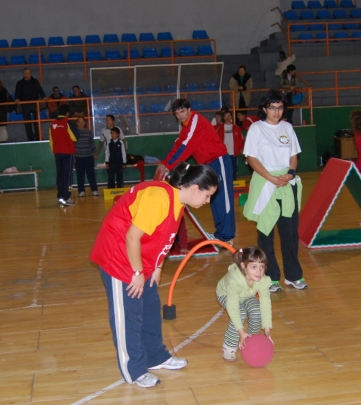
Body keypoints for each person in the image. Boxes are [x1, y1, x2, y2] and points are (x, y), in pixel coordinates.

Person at [90, 162, 218, 388]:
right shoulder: (158, 198)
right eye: (207, 196)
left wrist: (157, 267)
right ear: (195, 188)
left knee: (149, 306)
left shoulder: (178, 201)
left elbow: (163, 237)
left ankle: (155, 356)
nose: (207, 202)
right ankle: (135, 369)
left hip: (140, 257)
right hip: (118, 256)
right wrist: (138, 272)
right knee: (129, 315)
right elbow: (131, 237)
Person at [242, 90, 306, 293]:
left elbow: (293, 156)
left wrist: (290, 173)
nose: (276, 111)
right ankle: (270, 277)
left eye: (279, 107)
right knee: (266, 234)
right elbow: (251, 158)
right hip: (266, 184)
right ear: (264, 109)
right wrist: (270, 178)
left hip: (287, 185)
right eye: (272, 107)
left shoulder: (287, 127)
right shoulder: (256, 129)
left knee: (290, 233)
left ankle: (293, 276)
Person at [155, 98, 235, 244]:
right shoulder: (186, 127)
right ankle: (220, 234)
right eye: (177, 113)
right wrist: (164, 163)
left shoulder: (195, 120)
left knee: (224, 198)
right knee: (214, 198)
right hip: (208, 164)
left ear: (189, 110)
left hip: (219, 160)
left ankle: (227, 235)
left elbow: (186, 146)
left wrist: (170, 165)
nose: (181, 115)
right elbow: (178, 143)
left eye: (183, 111)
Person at [216, 246, 272, 361]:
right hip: (225, 294)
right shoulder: (234, 281)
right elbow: (233, 308)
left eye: (262, 266)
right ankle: (229, 347)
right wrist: (241, 332)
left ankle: (252, 340)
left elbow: (265, 304)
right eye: (254, 267)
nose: (259, 271)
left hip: (246, 295)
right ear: (243, 267)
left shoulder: (263, 280)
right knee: (240, 313)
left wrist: (267, 330)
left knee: (257, 310)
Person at [49, 105, 77, 206]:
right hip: (68, 152)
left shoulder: (53, 124)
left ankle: (60, 196)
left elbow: (51, 139)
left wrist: (54, 151)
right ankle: (67, 197)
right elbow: (75, 137)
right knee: (68, 175)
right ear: (67, 113)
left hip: (57, 153)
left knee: (60, 175)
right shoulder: (68, 123)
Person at [14, 68, 47, 142]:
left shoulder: (35, 81)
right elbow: (17, 92)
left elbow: (39, 89)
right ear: (24, 74)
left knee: (37, 121)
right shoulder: (20, 83)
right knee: (27, 122)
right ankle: (30, 138)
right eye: (27, 73)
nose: (29, 75)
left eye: (30, 73)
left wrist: (44, 96)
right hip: (25, 104)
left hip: (35, 103)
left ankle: (38, 137)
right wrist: (17, 98)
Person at [215, 110, 244, 179]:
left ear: (231, 117)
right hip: (224, 153)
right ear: (223, 118)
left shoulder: (237, 128)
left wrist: (240, 149)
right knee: (224, 169)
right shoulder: (219, 128)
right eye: (225, 116)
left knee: (234, 168)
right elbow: (217, 141)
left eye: (229, 116)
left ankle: (234, 182)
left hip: (234, 153)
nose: (227, 117)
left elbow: (241, 140)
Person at [73, 115, 98, 197]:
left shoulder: (89, 132)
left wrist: (95, 153)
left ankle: (94, 190)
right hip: (78, 157)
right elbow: (72, 145)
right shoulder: (74, 132)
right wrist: (73, 156)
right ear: (77, 123)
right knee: (80, 175)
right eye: (79, 121)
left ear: (85, 123)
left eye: (82, 122)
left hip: (89, 156)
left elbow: (92, 144)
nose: (81, 123)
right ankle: (81, 191)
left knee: (91, 174)